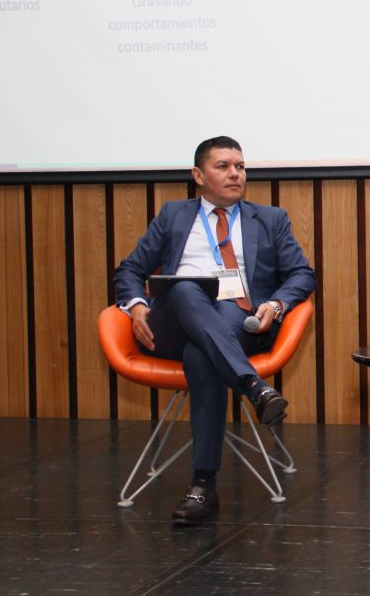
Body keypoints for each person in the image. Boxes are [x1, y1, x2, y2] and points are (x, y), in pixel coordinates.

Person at [113, 136, 315, 525]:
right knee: (185, 287)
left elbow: (302, 274)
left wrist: (276, 304)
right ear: (198, 175)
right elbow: (130, 269)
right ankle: (252, 385)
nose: (235, 173)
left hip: (239, 321)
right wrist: (136, 306)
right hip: (172, 323)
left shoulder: (270, 219)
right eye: (223, 166)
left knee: (200, 355)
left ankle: (202, 486)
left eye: (240, 166)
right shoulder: (173, 215)